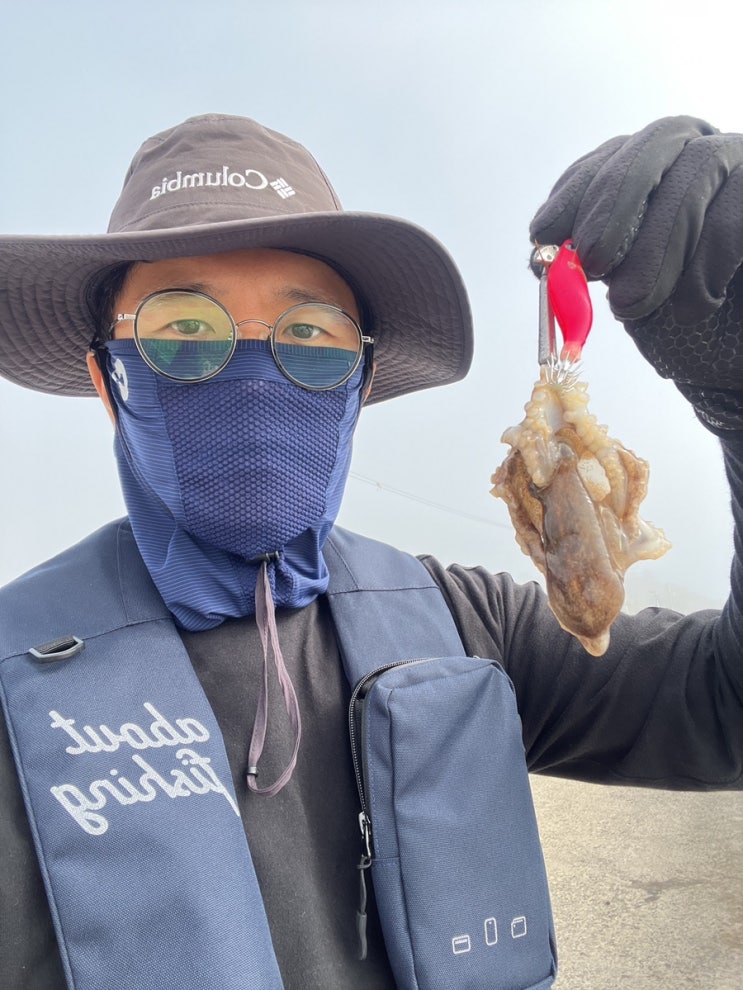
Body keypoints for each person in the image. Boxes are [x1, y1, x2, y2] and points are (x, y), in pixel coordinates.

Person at [0, 112, 741, 990]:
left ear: (358, 383)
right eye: (183, 328)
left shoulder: (467, 626)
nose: (251, 370)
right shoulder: (14, 676)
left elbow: (723, 706)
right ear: (107, 378)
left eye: (310, 334)